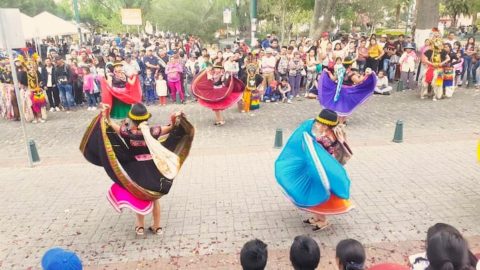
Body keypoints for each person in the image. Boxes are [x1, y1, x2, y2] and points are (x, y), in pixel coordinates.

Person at [80, 103, 194, 235]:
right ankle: (157, 227)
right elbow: (172, 128)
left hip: (136, 170)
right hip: (153, 170)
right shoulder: (153, 131)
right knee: (154, 199)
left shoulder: (127, 132)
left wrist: (106, 114)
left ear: (131, 119)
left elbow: (109, 125)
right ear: (146, 119)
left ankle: (140, 227)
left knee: (139, 197)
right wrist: (174, 118)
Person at [276, 109, 353, 231]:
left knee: (319, 194)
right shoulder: (334, 134)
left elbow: (315, 150)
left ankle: (322, 220)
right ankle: (317, 217)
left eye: (319, 124)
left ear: (325, 125)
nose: (317, 126)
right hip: (325, 169)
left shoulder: (325, 139)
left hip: (322, 171)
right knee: (318, 192)